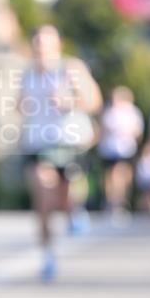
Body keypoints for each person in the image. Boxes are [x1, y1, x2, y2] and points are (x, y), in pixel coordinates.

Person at [18, 25, 102, 280]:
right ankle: (47, 255)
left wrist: (70, 101)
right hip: (38, 145)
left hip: (68, 143)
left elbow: (94, 101)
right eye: (37, 45)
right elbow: (19, 104)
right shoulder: (28, 74)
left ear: (57, 46)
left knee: (63, 201)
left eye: (46, 45)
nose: (41, 50)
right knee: (43, 199)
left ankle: (74, 211)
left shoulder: (71, 69)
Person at [97, 86, 144, 217]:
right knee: (112, 176)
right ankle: (112, 201)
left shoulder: (132, 112)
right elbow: (102, 130)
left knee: (123, 175)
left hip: (126, 149)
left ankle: (121, 200)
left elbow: (137, 132)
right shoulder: (109, 112)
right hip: (109, 150)